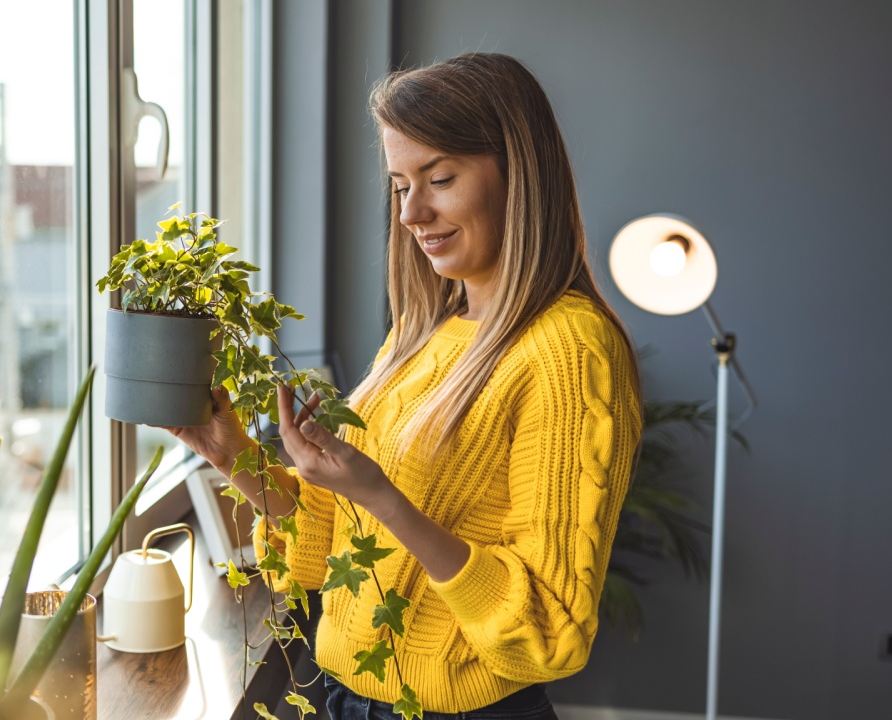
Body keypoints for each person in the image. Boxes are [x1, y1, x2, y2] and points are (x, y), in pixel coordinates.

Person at [165, 52, 643, 720]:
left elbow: (546, 634)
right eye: (398, 186)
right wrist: (231, 455)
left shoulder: (568, 348)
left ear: (518, 175)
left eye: (439, 178)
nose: (413, 212)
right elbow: (322, 553)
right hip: (343, 699)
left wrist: (385, 499)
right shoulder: (420, 337)